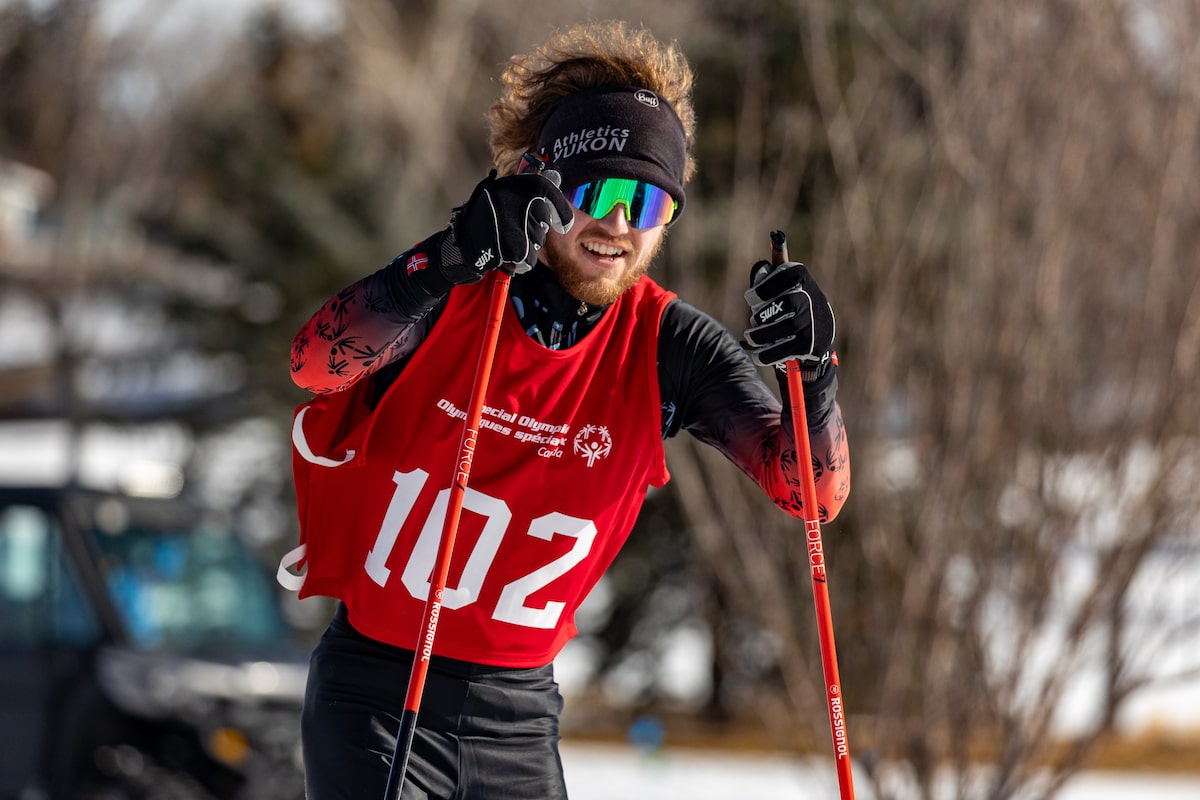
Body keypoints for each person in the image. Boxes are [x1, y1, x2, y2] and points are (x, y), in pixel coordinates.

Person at [283, 20, 850, 800]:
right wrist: (439, 261)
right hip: (379, 689)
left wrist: (814, 377)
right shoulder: (454, 289)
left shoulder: (668, 345)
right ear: (540, 183)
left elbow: (810, 493)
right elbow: (314, 365)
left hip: (515, 717)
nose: (618, 224)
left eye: (650, 202)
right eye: (599, 192)